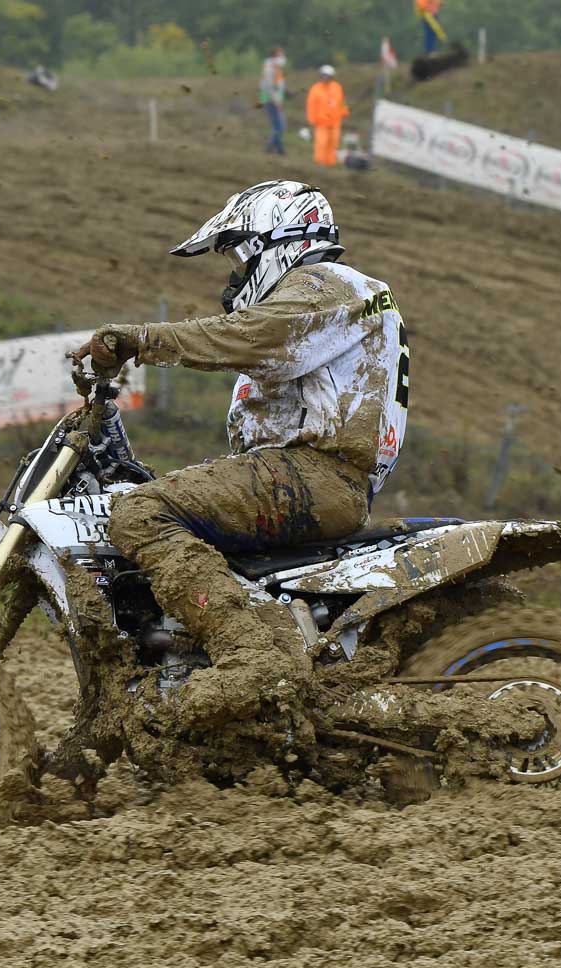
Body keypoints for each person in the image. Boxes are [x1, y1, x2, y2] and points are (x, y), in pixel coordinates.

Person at [72, 180, 410, 743]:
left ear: (273, 243)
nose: (231, 281)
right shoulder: (327, 300)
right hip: (304, 474)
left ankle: (251, 657)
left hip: (315, 474)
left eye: (236, 260)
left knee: (140, 514)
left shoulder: (327, 285)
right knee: (153, 501)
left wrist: (142, 340)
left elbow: (249, 335)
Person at [305, 66, 348, 168]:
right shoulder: (316, 89)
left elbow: (342, 101)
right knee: (321, 142)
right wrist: (311, 118)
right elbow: (311, 104)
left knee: (334, 142)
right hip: (321, 122)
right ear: (320, 76)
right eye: (324, 75)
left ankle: (331, 162)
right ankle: (320, 162)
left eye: (328, 76)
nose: (326, 78)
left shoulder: (337, 87)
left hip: (335, 121)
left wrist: (344, 111)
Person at [259, 47, 287, 155]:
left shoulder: (274, 68)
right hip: (271, 99)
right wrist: (276, 101)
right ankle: (271, 147)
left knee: (278, 125)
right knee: (280, 125)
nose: (283, 57)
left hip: (270, 98)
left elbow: (277, 85)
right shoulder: (271, 69)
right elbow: (270, 87)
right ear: (275, 56)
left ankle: (278, 149)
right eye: (281, 55)